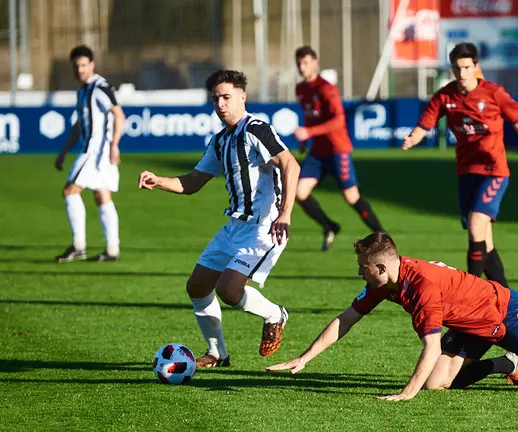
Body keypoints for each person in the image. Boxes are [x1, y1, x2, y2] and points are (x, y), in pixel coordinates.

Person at [267, 232, 518, 401]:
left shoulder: (422, 286)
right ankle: (506, 364)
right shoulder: (384, 282)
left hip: (506, 313)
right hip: (471, 325)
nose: (359, 273)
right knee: (436, 384)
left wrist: (406, 392)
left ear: (381, 267)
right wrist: (305, 357)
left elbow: (430, 347)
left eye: (362, 267)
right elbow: (346, 318)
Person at [137, 70, 300, 367]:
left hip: (264, 228)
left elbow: (291, 164)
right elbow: (192, 182)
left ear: (242, 96)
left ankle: (275, 315)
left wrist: (285, 213)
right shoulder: (220, 141)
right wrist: (158, 180)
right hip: (234, 227)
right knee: (197, 287)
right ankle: (217, 354)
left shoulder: (255, 129)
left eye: (226, 97)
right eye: (215, 99)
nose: (221, 104)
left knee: (228, 289)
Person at [402, 42, 518, 288]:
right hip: (466, 172)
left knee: (475, 224)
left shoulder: (493, 93)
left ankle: (470, 290)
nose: (462, 73)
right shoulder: (446, 96)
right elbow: (425, 124)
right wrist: (412, 138)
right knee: (484, 240)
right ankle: (505, 297)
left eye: (467, 67)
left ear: (476, 66)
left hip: (494, 171)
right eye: (457, 68)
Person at [293, 46, 385, 251]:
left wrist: (309, 132)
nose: (302, 67)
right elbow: (310, 116)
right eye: (299, 63)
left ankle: (382, 236)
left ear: (315, 63)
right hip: (318, 152)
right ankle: (329, 226)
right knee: (299, 192)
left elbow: (339, 120)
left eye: (306, 63)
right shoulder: (301, 89)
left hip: (337, 149)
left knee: (351, 197)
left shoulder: (327, 88)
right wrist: (305, 139)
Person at [54, 45, 125, 263]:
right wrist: (63, 152)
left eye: (84, 65)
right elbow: (79, 125)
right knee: (102, 196)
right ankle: (112, 250)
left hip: (96, 151)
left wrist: (114, 144)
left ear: (92, 65)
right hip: (96, 151)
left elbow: (119, 114)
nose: (80, 70)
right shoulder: (82, 91)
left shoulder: (99, 88)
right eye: (76, 66)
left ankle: (78, 246)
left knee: (70, 191)